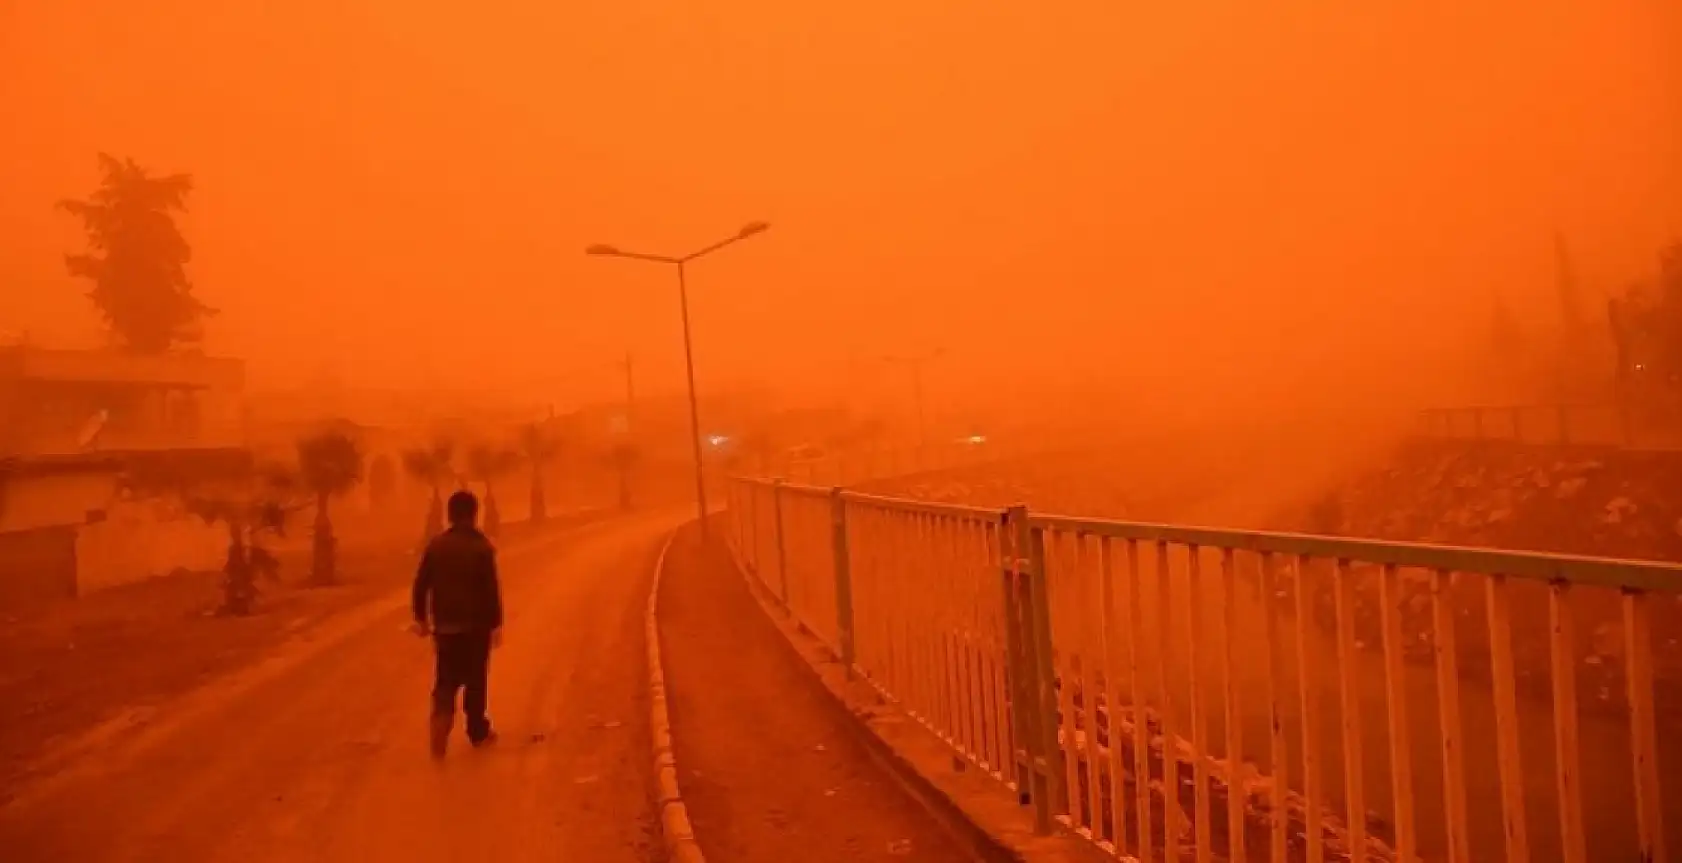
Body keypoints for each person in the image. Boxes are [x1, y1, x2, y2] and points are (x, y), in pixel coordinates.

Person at [411, 489, 503, 757]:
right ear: (474, 514)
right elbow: (491, 590)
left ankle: (440, 718)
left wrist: (421, 617)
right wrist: (495, 623)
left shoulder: (436, 546)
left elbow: (420, 585)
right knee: (475, 680)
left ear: (450, 515)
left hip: (446, 628)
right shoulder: (481, 547)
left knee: (446, 679)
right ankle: (477, 731)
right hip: (476, 628)